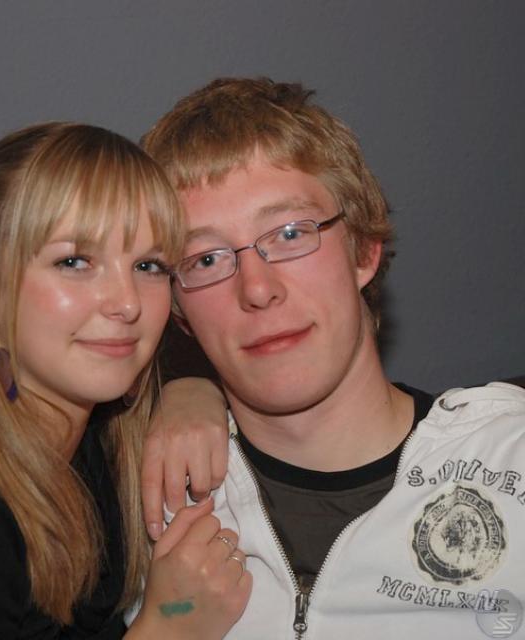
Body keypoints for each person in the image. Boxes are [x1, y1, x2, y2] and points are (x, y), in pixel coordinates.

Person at [140, 78, 525, 639]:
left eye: (290, 233)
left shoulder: (511, 458)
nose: (257, 288)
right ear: (178, 310)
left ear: (363, 249)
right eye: (205, 259)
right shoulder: (135, 503)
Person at [0, 123, 251, 639]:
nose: (126, 303)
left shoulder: (98, 446)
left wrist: (194, 390)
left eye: (148, 265)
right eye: (75, 261)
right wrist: (171, 625)